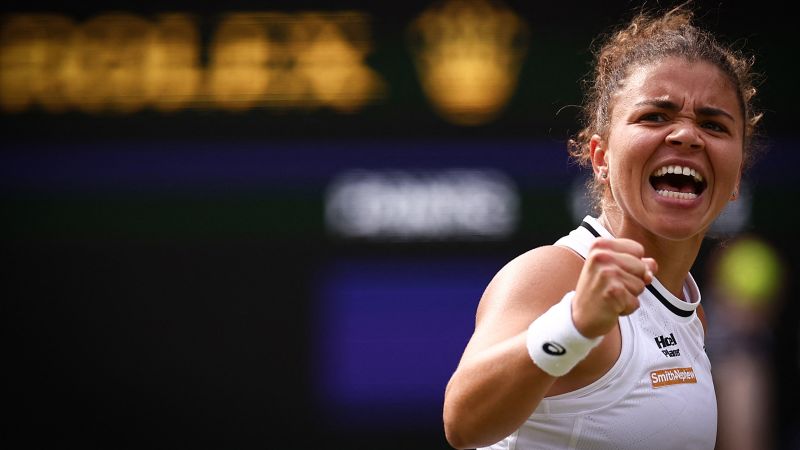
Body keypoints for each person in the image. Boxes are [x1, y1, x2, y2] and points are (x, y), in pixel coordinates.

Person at [442, 4, 763, 450]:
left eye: (713, 124)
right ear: (600, 158)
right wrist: (574, 324)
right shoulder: (554, 274)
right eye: (655, 116)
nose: (687, 135)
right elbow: (463, 421)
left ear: (736, 178)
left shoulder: (690, 310)